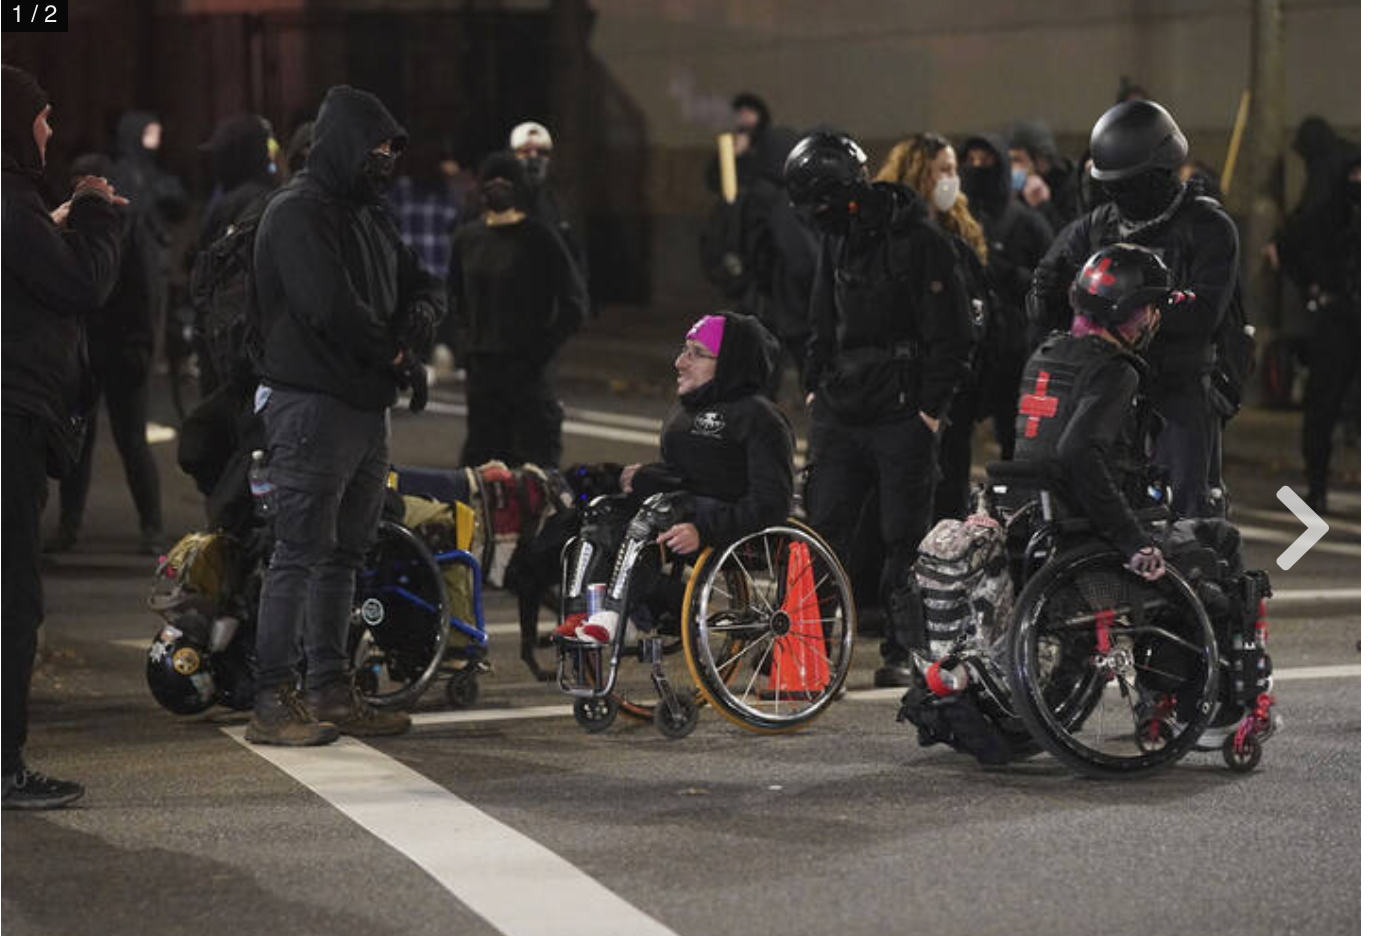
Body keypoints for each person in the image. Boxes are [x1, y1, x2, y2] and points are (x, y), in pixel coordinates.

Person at [249, 85, 445, 745]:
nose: (385, 159)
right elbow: (326, 306)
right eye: (377, 147)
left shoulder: (370, 214)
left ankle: (329, 689)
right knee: (299, 552)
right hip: (312, 405)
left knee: (344, 554)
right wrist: (396, 351)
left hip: (364, 408)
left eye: (392, 149)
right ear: (344, 145)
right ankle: (273, 700)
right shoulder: (297, 212)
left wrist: (418, 321)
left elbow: (424, 283)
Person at [784, 131, 975, 687]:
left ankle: (902, 651)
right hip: (842, 408)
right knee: (825, 531)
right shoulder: (837, 239)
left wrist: (929, 411)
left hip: (900, 413)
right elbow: (820, 320)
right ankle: (811, 654)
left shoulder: (922, 243)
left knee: (903, 538)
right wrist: (815, 386)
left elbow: (954, 335)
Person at [3, 65, 125, 808]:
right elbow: (82, 285)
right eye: (41, 117)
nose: (49, 131)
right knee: (12, 601)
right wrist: (95, 212)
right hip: (10, 422)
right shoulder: (9, 200)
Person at [1027, 99, 1240, 519]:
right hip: (1100, 390)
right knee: (1088, 510)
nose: (1122, 195)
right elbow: (1044, 299)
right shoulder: (1095, 227)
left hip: (1176, 390)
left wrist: (1122, 305)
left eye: (1131, 183)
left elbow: (1203, 313)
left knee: (1185, 516)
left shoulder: (1206, 227)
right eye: (1114, 185)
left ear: (1161, 170)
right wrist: (1047, 295)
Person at [555, 312, 793, 642]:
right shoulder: (686, 411)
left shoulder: (761, 418)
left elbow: (771, 502)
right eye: (684, 350)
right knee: (602, 510)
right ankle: (581, 611)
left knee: (653, 516)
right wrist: (646, 476)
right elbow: (686, 477)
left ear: (729, 363)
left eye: (697, 353)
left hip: (730, 527)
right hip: (677, 512)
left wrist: (704, 529)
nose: (680, 362)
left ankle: (616, 615)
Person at [1014, 244, 1191, 580]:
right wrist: (1132, 540)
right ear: (1128, 310)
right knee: (1219, 542)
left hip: (1033, 517)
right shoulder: (1115, 371)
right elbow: (1078, 452)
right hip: (1085, 528)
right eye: (1150, 307)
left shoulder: (1047, 352)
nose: (1155, 318)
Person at [873, 132, 991, 521]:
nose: (952, 179)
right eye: (943, 170)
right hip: (906, 385)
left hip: (951, 385)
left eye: (954, 170)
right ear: (918, 173)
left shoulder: (960, 229)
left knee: (948, 489)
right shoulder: (887, 235)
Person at [449, 152, 587, 468]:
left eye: (506, 181)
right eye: (492, 181)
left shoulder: (539, 237)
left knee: (531, 463)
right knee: (482, 463)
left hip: (526, 370)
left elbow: (573, 302)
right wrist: (465, 345)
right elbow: (456, 297)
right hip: (482, 371)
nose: (498, 187)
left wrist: (542, 348)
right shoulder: (467, 238)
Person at [957, 132, 1054, 457]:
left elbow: (1050, 282)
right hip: (967, 344)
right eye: (970, 160)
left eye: (985, 160)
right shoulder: (957, 221)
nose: (976, 167)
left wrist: (1008, 272)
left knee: (1013, 433)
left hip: (1014, 345)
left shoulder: (1026, 222)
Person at [1275, 153, 1360, 514]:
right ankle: (1317, 485)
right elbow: (1289, 245)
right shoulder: (1328, 214)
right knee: (1323, 406)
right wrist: (1313, 286)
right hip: (1336, 319)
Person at [509, 120, 587, 284]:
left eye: (542, 152)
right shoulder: (498, 201)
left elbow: (575, 259)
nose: (534, 157)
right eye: (525, 151)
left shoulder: (559, 204)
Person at [1007, 118, 1080, 233]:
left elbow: (1071, 236)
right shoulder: (1018, 190)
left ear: (1041, 159)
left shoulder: (1073, 186)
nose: (1013, 168)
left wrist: (1042, 205)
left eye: (1017, 160)